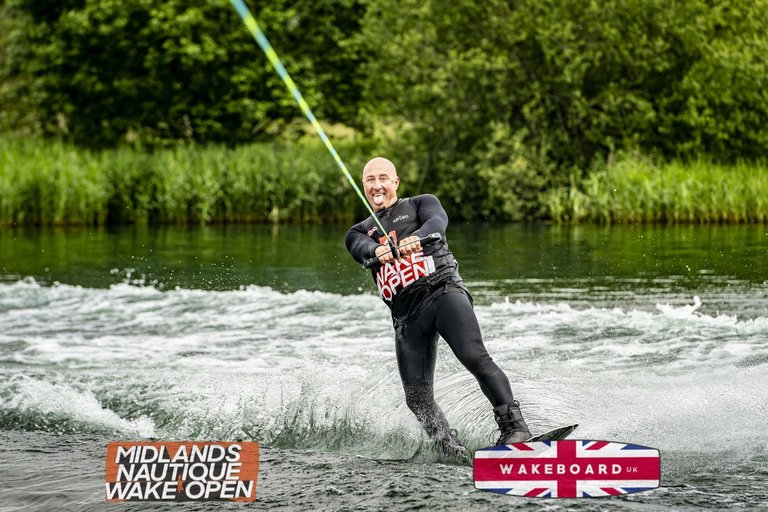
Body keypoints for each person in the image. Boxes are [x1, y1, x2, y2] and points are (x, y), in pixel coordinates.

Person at [345, 157, 530, 460]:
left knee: (474, 357)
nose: (376, 185)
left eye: (383, 178)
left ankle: (516, 428)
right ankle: (449, 446)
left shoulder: (421, 204)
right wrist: (378, 250)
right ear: (364, 185)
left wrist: (414, 240)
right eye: (369, 180)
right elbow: (360, 249)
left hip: (443, 293)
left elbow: (437, 225)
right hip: (407, 318)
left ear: (395, 182)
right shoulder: (359, 231)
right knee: (416, 397)